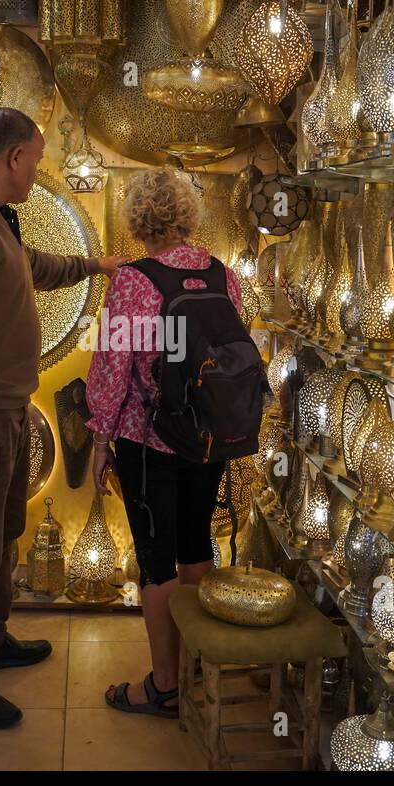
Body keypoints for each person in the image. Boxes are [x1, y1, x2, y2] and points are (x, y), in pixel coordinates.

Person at [0, 107, 126, 729]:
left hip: (3, 412)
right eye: (35, 160)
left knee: (2, 530)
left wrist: (95, 266)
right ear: (13, 158)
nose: (38, 172)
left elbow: (32, 268)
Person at [86, 167, 246, 717]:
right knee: (196, 545)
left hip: (147, 437)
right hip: (208, 436)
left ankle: (163, 686)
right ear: (186, 216)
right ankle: (197, 671)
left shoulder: (133, 280)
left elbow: (112, 367)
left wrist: (101, 439)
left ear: (139, 221)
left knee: (157, 562)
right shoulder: (223, 275)